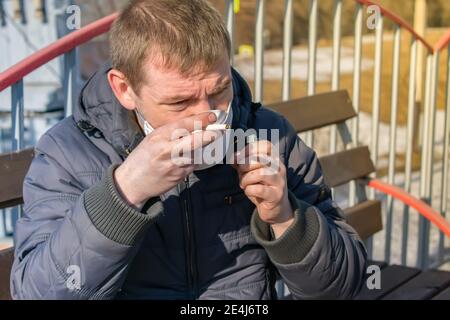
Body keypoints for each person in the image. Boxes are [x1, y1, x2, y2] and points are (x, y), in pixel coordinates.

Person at [10, 0, 366, 300]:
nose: (207, 116)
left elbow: (341, 287)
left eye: (220, 90)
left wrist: (286, 218)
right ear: (124, 89)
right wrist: (124, 192)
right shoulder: (69, 153)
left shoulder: (268, 135)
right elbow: (38, 292)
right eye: (179, 101)